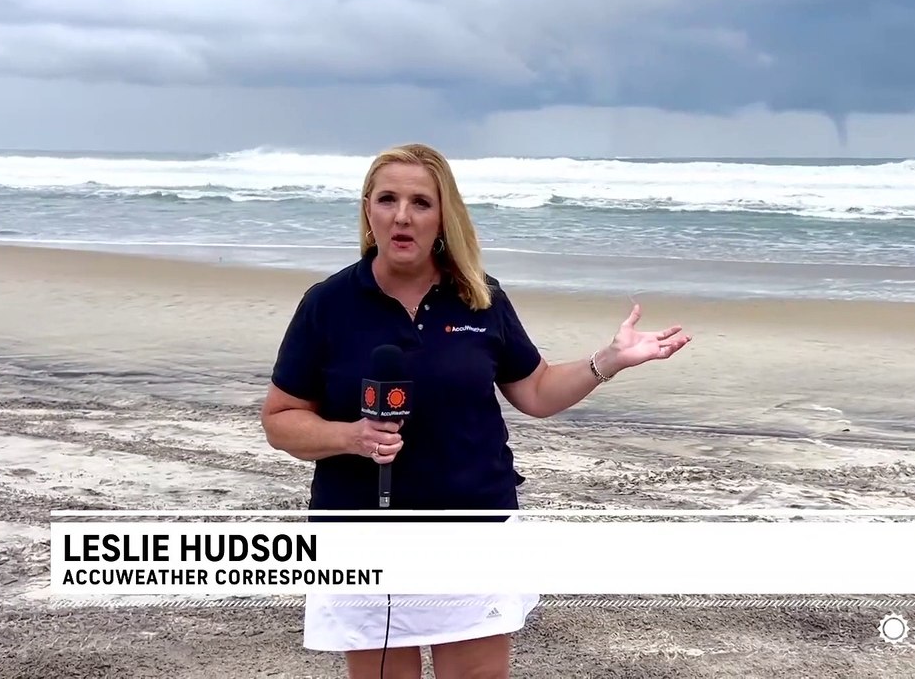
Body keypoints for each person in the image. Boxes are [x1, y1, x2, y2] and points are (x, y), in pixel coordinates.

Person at [259, 143, 691, 679]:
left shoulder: (480, 298)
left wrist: (609, 360)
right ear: (368, 209)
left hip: (473, 523)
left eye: (421, 202)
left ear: (444, 216)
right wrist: (351, 437)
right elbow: (280, 418)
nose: (402, 215)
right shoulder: (328, 304)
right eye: (387, 199)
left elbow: (536, 391)